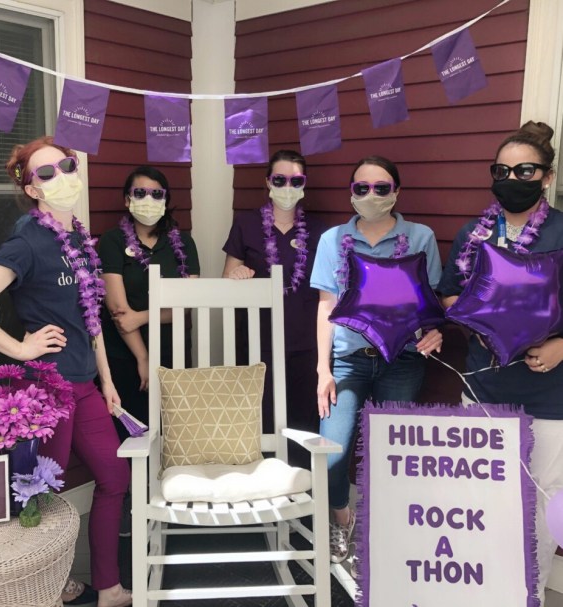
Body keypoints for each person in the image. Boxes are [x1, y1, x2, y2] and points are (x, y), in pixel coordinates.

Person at [0, 136, 132, 607]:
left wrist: (107, 380)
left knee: (114, 477)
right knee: (39, 494)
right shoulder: (27, 241)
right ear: (31, 189)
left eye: (66, 166)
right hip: (46, 390)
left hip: (86, 386)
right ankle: (47, 587)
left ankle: (107, 586)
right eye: (44, 174)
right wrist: (21, 349)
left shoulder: (78, 240)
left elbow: (92, 319)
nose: (61, 178)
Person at [438, 121, 563, 605]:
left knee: (545, 495)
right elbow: (449, 294)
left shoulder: (561, 228)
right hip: (483, 385)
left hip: (548, 389)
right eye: (502, 170)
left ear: (545, 177)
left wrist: (560, 347)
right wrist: (480, 323)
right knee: (482, 492)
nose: (513, 178)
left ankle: (527, 590)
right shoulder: (474, 232)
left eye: (525, 170)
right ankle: (483, 587)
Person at [310, 155, 443, 566]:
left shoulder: (420, 237)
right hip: (348, 360)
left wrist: (438, 331)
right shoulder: (333, 240)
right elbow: (326, 305)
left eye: (381, 188)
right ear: (351, 193)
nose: (371, 195)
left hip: (402, 359)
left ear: (396, 192)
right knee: (331, 453)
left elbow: (429, 300)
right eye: (361, 188)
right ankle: (341, 518)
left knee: (389, 454)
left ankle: (382, 535)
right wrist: (323, 369)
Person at [222, 149, 324, 443]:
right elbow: (227, 276)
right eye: (279, 180)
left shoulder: (319, 230)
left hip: (305, 342)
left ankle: (302, 484)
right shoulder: (246, 223)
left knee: (304, 422)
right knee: (262, 421)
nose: (287, 187)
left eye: (296, 180)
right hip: (259, 341)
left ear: (304, 184)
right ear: (268, 182)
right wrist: (237, 275)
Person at [99, 165, 200, 443]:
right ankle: (135, 487)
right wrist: (143, 358)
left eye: (157, 194)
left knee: (174, 432)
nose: (149, 199)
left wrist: (141, 317)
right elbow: (119, 311)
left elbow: (186, 305)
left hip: (173, 352)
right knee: (133, 435)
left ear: (166, 200)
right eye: (140, 192)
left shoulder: (183, 243)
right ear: (127, 199)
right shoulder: (112, 241)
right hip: (126, 355)